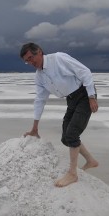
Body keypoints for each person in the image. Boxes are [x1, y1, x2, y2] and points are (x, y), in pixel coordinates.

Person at [20, 42, 99, 187]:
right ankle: (91, 161)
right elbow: (40, 100)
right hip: (71, 99)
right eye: (27, 61)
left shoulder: (59, 58)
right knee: (65, 139)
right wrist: (35, 128)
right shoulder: (39, 77)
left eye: (31, 58)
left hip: (84, 95)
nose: (30, 62)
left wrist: (91, 97)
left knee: (72, 134)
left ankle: (72, 174)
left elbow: (85, 72)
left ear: (39, 51)